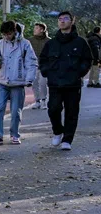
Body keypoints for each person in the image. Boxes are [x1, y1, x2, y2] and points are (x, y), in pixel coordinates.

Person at [39, 11, 93, 150]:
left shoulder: (80, 42)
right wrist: (47, 72)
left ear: (72, 21)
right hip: (55, 83)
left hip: (72, 83)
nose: (62, 21)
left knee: (71, 112)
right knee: (53, 109)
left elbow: (87, 60)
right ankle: (58, 131)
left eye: (65, 18)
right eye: (60, 19)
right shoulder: (51, 43)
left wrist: (79, 73)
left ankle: (67, 140)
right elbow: (43, 60)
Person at [0, 21, 37, 146]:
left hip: (18, 81)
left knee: (16, 110)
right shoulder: (0, 43)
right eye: (4, 34)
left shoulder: (25, 44)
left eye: (8, 34)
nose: (6, 37)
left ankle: (15, 134)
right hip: (1, 80)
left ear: (14, 31)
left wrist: (29, 79)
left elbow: (31, 62)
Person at [29, 23, 51, 107]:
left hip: (44, 66)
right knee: (34, 83)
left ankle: (43, 100)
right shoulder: (30, 40)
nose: (34, 30)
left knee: (42, 83)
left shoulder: (49, 41)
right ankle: (37, 101)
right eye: (34, 28)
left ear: (42, 30)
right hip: (33, 65)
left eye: (36, 28)